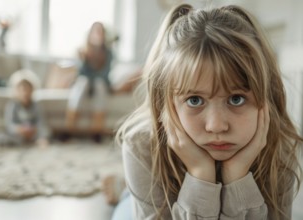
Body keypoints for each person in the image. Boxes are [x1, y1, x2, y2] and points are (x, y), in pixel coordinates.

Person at [116, 3, 303, 220]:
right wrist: (200, 175)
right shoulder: (141, 146)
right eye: (195, 100)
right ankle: (122, 188)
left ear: (266, 98)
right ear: (166, 103)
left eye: (236, 99)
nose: (216, 126)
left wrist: (237, 180)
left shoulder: (278, 148)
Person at [65, 22, 114, 137]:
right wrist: (84, 59)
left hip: (100, 83)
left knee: (99, 84)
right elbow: (81, 73)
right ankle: (70, 127)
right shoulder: (83, 51)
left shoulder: (109, 53)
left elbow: (105, 74)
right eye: (95, 32)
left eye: (100, 32)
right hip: (85, 83)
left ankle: (96, 130)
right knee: (83, 82)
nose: (98, 35)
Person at [0, 69, 51, 147]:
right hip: (18, 133)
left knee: (45, 131)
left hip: (33, 131)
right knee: (0, 134)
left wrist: (34, 129)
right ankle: (20, 141)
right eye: (21, 90)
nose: (25, 93)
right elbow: (9, 123)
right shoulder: (12, 105)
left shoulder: (36, 105)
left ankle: (40, 140)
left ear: (32, 90)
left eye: (27, 89)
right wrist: (19, 129)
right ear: (16, 90)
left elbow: (41, 122)